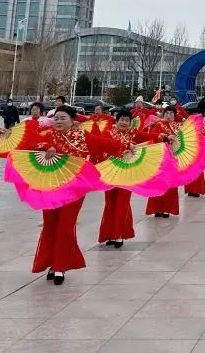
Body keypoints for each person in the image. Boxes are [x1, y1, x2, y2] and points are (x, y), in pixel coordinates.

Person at [31, 105, 118, 284]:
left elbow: (108, 144)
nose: (58, 122)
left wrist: (129, 145)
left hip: (74, 188)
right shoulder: (48, 135)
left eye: (63, 118)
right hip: (50, 186)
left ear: (73, 121)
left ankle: (60, 266)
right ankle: (50, 263)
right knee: (50, 225)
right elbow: (31, 144)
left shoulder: (83, 137)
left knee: (65, 226)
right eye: (56, 118)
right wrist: (47, 146)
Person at [97, 109, 159, 248]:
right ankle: (109, 234)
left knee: (123, 203)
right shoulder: (108, 133)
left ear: (131, 123)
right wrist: (125, 146)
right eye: (122, 120)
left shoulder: (132, 134)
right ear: (116, 121)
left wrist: (164, 136)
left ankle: (118, 235)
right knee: (110, 203)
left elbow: (149, 137)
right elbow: (104, 145)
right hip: (110, 173)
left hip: (127, 174)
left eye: (127, 120)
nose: (124, 122)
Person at [145, 106, 184, 218]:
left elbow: (182, 142)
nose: (169, 115)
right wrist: (165, 139)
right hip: (160, 157)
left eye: (172, 113)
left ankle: (167, 208)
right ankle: (157, 208)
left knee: (170, 183)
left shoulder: (178, 128)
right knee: (158, 182)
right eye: (167, 113)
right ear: (164, 114)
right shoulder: (158, 125)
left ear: (174, 116)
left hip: (172, 157)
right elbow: (152, 139)